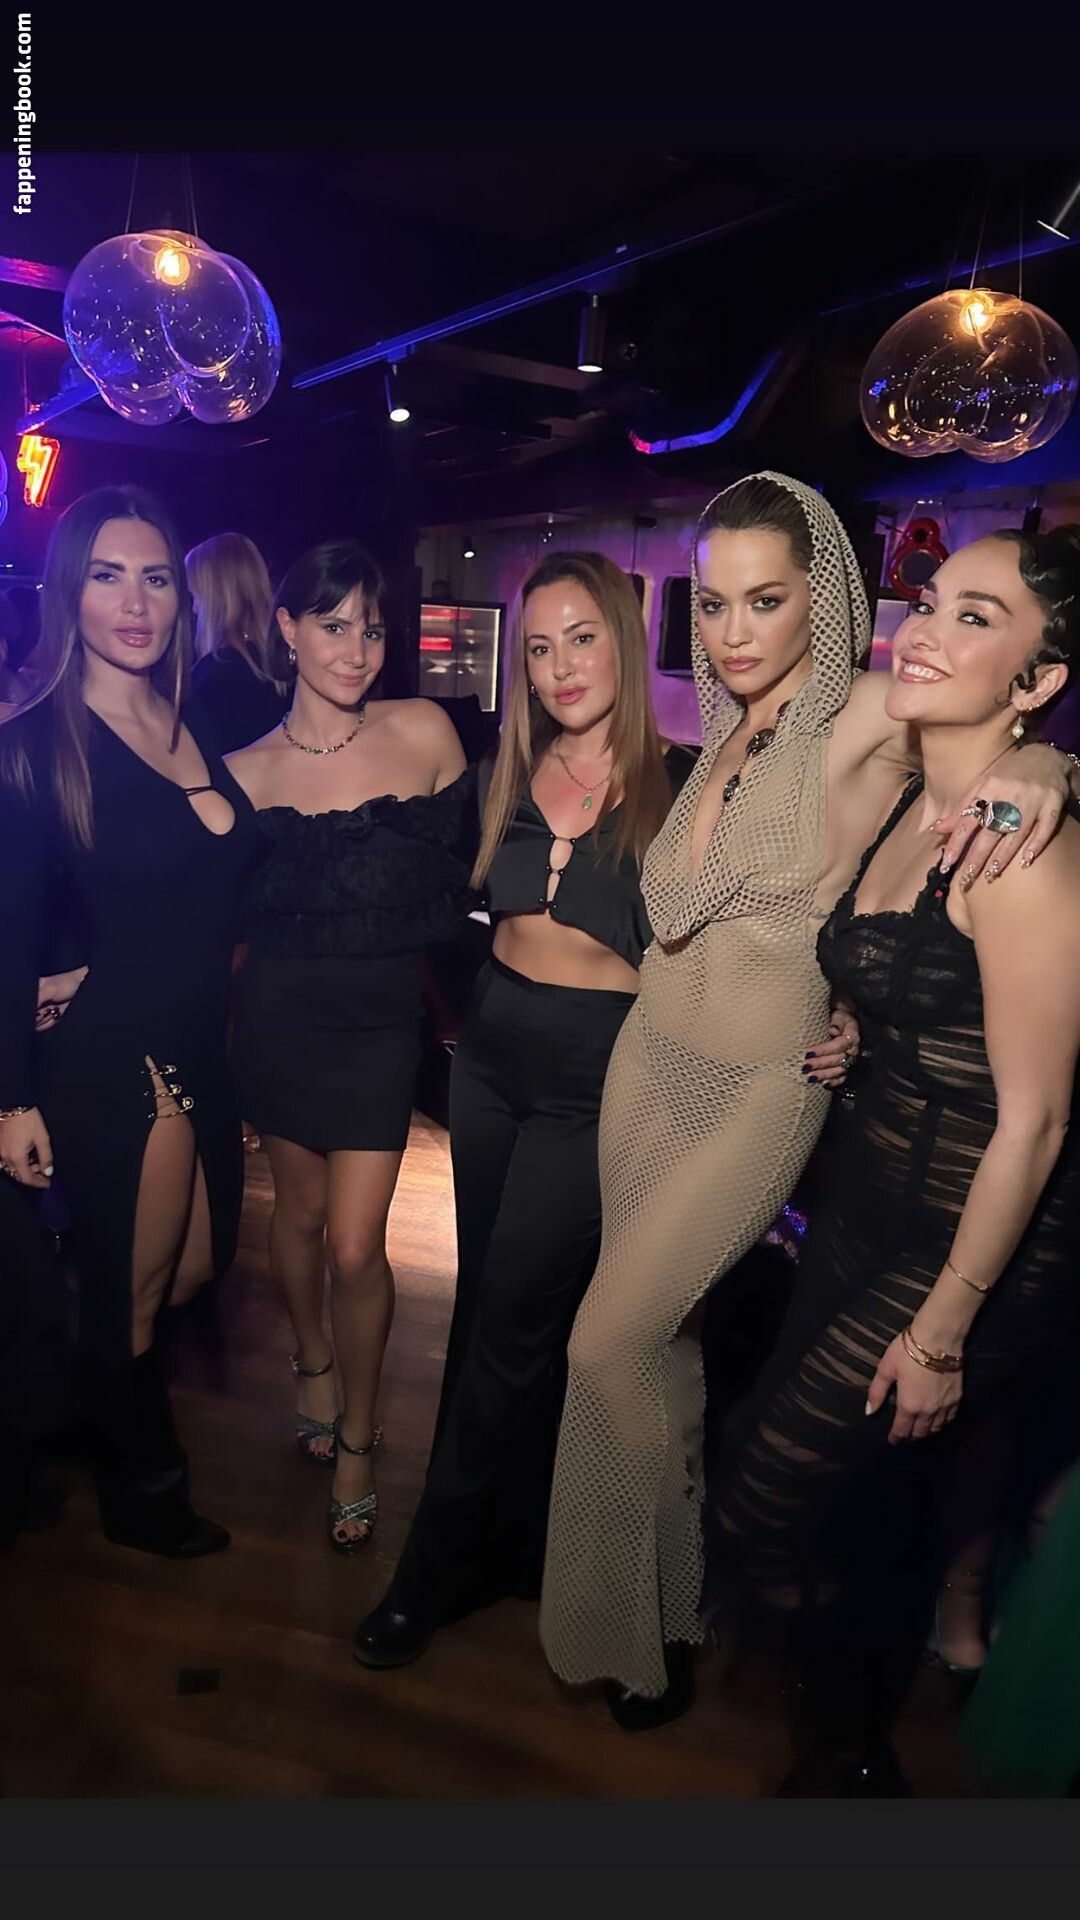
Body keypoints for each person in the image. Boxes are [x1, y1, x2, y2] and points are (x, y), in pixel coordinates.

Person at [538, 473, 1077, 1731]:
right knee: (658, 1349)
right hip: (649, 1066)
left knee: (603, 1343)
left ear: (821, 602)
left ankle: (685, 1602)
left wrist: (1049, 763)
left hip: (756, 1087)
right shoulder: (721, 732)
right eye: (713, 603)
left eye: (765, 601)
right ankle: (652, 1617)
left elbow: (1000, 731)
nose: (733, 633)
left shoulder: (866, 710)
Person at [356, 553, 797, 1669]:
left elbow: (764, 925)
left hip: (599, 1075)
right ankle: (510, 1540)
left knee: (514, 1320)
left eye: (582, 638)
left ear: (624, 638)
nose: (560, 667)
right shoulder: (503, 772)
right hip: (490, 1058)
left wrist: (826, 1016)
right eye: (539, 647)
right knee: (488, 1315)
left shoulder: (688, 783)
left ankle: (429, 1573)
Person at [714, 523, 1080, 1793]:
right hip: (865, 1195)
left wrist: (943, 1334)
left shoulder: (1025, 852)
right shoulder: (922, 807)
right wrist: (861, 1028)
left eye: (977, 617)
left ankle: (849, 1745)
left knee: (766, 1492)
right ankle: (847, 1740)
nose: (924, 630)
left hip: (974, 1238)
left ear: (1039, 680)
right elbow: (931, 989)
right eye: (929, 601)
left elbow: (1036, 1122)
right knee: (855, 1503)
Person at [0, 485, 258, 1557]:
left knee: (198, 1268)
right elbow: (12, 927)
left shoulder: (186, 721)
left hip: (202, 1042)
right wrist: (12, 1096)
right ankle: (144, 1494)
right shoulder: (35, 744)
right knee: (136, 1293)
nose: (136, 602)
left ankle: (78, 1410)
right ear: (70, 594)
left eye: (155, 577)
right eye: (107, 577)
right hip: (123, 1055)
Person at [226, 541, 473, 1554]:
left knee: (359, 1244)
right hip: (281, 1023)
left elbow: (477, 872)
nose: (357, 649)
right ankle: (313, 1361)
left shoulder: (424, 732)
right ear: (287, 630)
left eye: (371, 628)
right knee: (300, 1212)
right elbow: (195, 914)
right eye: (333, 626)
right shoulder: (242, 773)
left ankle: (363, 1438)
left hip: (379, 1030)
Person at [185, 531, 287, 755]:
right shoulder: (289, 662)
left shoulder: (212, 677)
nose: (194, 609)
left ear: (214, 599)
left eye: (196, 597)